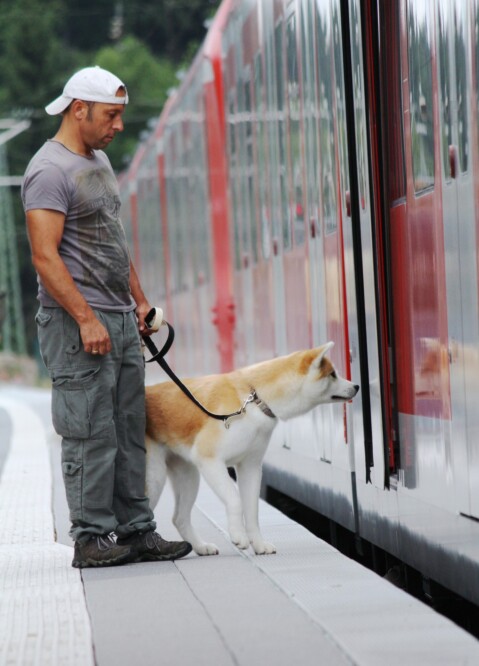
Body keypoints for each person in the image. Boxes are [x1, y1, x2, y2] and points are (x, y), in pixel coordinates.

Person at [21, 66, 192, 568]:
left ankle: (137, 530)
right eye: (111, 116)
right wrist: (86, 318)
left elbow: (112, 243)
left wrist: (138, 303)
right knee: (90, 431)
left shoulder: (96, 161)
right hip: (79, 324)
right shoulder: (49, 170)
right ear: (80, 109)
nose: (118, 126)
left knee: (127, 427)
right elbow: (45, 257)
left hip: (118, 318)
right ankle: (91, 539)